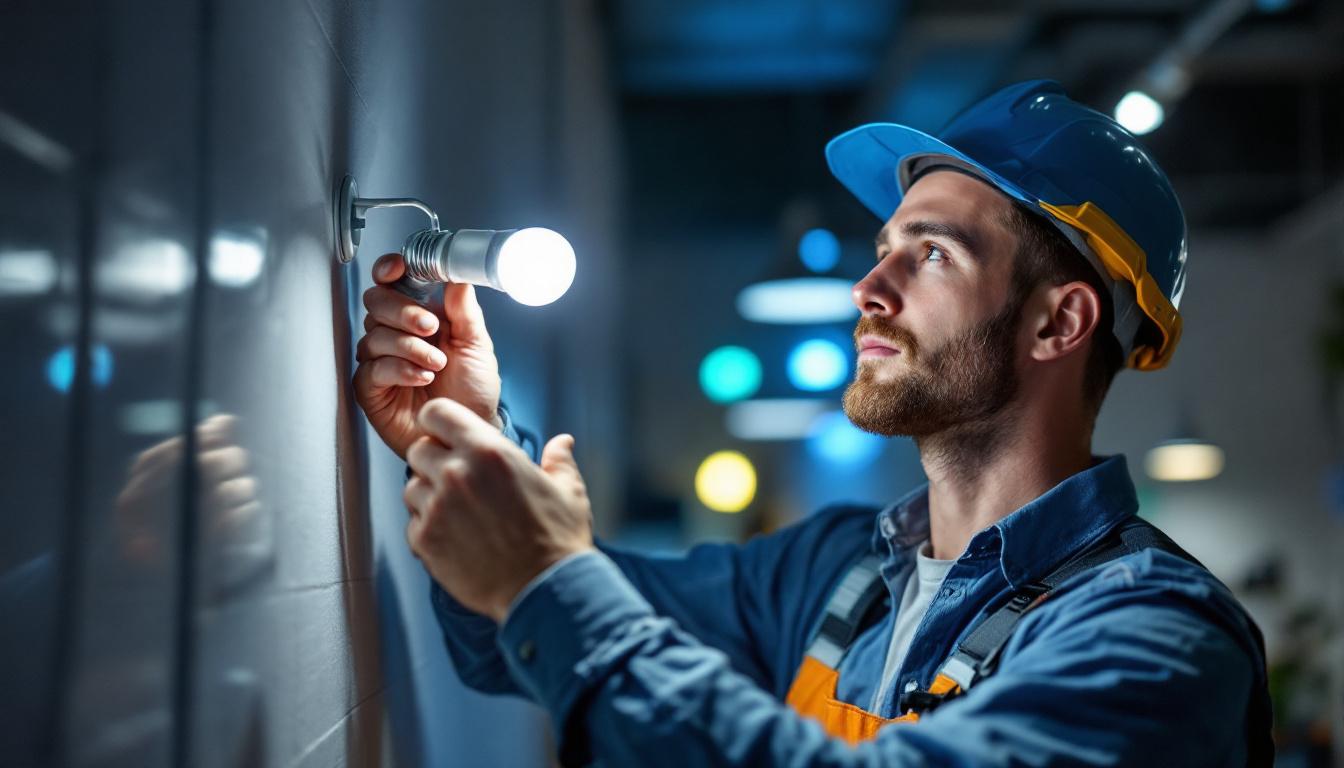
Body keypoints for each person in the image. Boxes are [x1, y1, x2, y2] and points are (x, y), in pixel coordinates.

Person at [354, 80, 1273, 766]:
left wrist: (549, 576)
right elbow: (511, 631)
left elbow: (558, 598)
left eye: (933, 254)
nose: (869, 290)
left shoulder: (1155, 639)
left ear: (1056, 322)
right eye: (884, 252)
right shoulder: (835, 573)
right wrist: (462, 426)